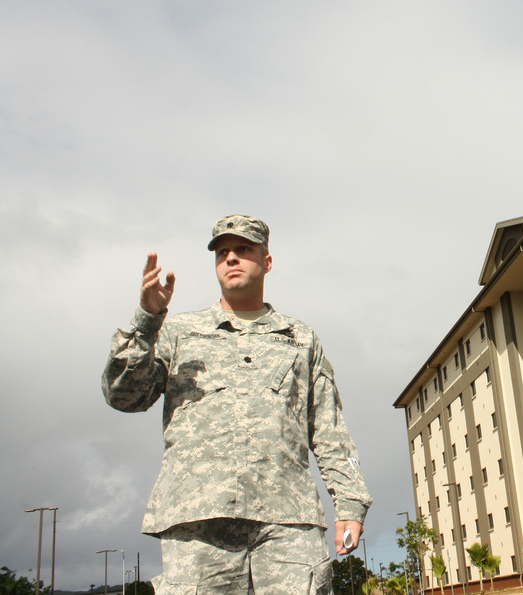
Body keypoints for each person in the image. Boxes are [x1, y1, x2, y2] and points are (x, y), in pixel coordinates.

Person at [103, 215, 371, 594]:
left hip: (287, 524)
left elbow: (328, 429)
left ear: (267, 261)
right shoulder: (180, 332)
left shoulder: (300, 339)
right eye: (222, 252)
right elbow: (124, 396)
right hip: (199, 521)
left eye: (243, 249)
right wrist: (147, 322)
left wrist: (349, 505)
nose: (231, 258)